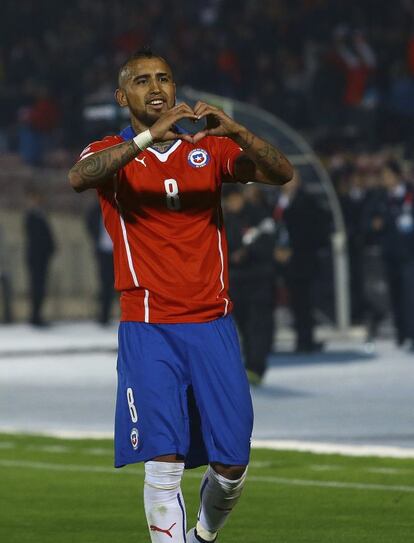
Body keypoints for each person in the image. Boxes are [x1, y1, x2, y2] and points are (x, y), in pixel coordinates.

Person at [68, 48, 293, 543]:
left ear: (175, 88)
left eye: (164, 78)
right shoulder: (110, 151)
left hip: (213, 324)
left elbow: (281, 173)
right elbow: (80, 177)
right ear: (121, 96)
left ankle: (201, 537)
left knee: (233, 463)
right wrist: (149, 137)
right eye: (142, 80)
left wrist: (235, 131)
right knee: (164, 459)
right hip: (148, 327)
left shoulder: (208, 151)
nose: (155, 88)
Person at [224, 184, 277, 385]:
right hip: (236, 282)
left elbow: (268, 242)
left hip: (259, 279)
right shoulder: (224, 220)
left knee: (259, 325)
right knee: (244, 325)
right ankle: (249, 364)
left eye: (235, 198)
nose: (233, 203)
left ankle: (256, 366)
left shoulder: (258, 215)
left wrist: (249, 252)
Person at [274, 172, 330, 353]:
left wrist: (293, 249)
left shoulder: (307, 201)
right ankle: (300, 338)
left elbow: (312, 230)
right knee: (293, 302)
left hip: (302, 260)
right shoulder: (277, 200)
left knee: (304, 302)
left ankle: (306, 340)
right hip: (281, 260)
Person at [363, 159, 414, 349]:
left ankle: (411, 334)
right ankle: (401, 334)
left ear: (397, 175)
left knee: (411, 295)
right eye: (383, 177)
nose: (385, 180)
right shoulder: (379, 198)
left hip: (410, 254)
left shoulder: (410, 194)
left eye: (387, 176)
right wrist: (374, 225)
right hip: (390, 254)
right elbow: (366, 222)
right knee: (396, 295)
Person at [23, 186, 56, 326]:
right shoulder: (31, 215)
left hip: (43, 258)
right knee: (36, 287)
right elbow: (36, 237)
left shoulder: (41, 214)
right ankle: (35, 317)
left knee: (41, 287)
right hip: (36, 257)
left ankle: (38, 315)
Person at [85, 202, 115, 325]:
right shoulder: (96, 210)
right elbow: (89, 223)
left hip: (117, 252)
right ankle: (104, 315)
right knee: (105, 284)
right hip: (103, 252)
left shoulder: (117, 207)